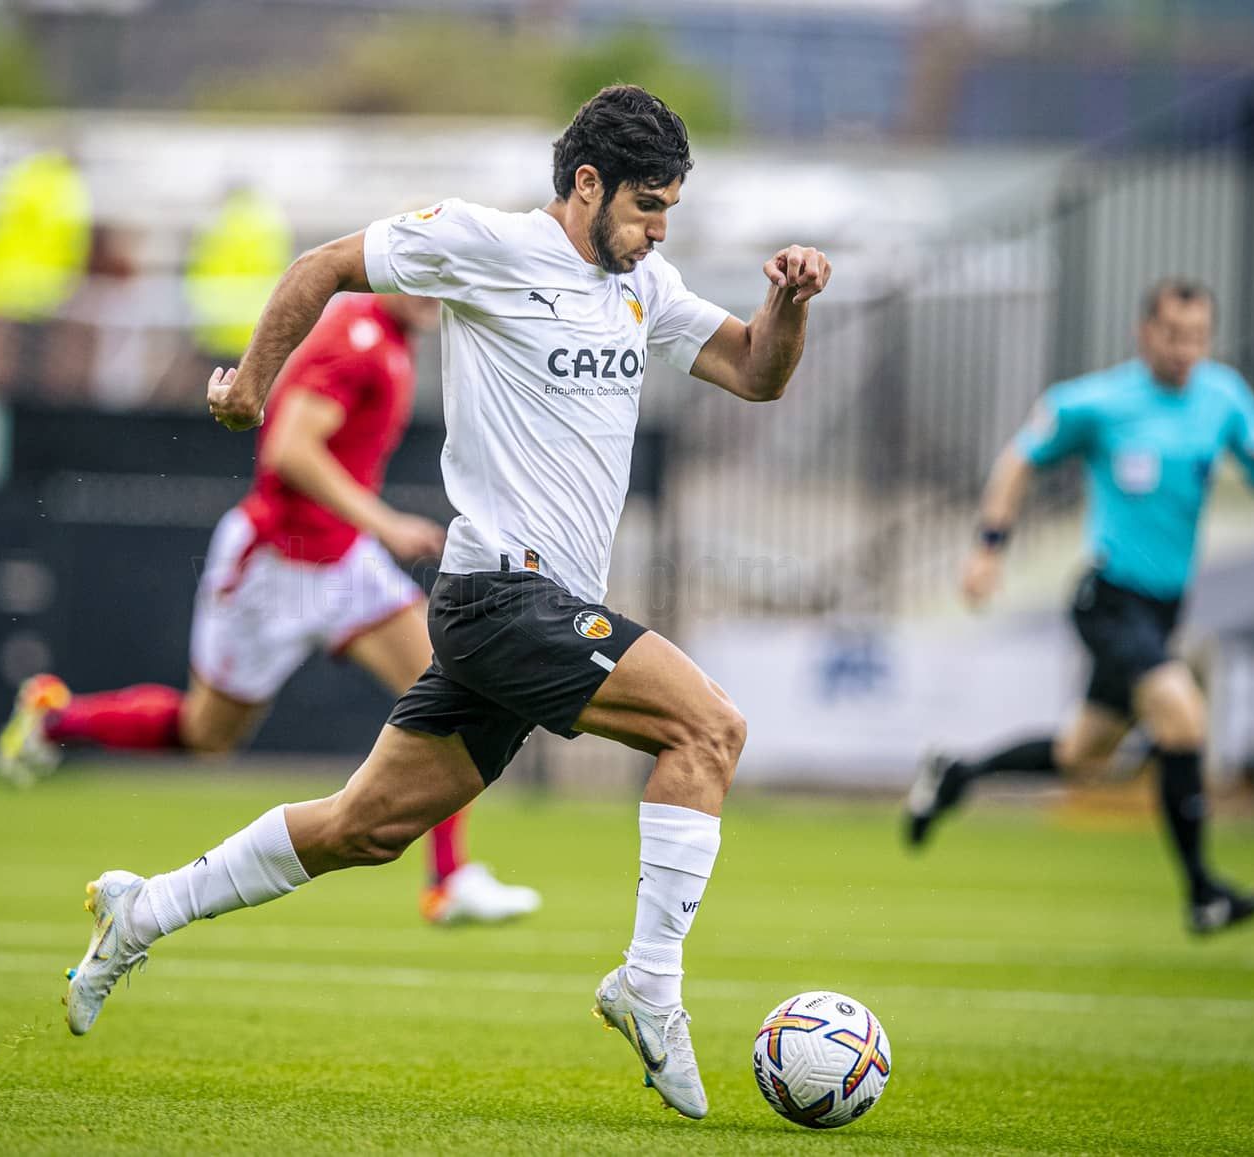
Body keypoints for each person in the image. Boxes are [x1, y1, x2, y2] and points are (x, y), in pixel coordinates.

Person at [57, 85, 831, 1123]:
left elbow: (755, 371)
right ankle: (648, 982)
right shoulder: (487, 244)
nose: (656, 230)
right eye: (647, 206)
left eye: (670, 212)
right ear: (587, 184)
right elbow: (322, 266)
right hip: (499, 593)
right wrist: (251, 381)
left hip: (533, 609)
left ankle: (143, 907)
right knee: (709, 727)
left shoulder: (644, 286)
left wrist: (789, 303)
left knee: (362, 829)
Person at [0, 291, 541, 926]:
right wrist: (384, 522)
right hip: (275, 566)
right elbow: (290, 448)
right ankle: (55, 719)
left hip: (339, 562)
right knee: (208, 735)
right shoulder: (356, 338)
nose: (430, 290)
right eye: (418, 274)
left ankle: (448, 881)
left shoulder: (390, 340)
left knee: (453, 686)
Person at [904, 278, 1254, 936]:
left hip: (1165, 606)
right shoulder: (1098, 402)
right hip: (1108, 598)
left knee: (1083, 754)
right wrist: (988, 548)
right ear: (1145, 333)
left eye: (1198, 336)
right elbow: (1019, 461)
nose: (1185, 349)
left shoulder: (1223, 395)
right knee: (1182, 711)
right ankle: (1203, 894)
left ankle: (956, 774)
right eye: (1174, 334)